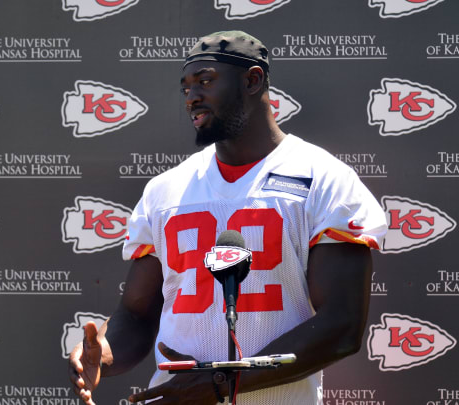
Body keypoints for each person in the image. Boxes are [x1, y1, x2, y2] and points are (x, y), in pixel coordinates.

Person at [69, 30, 387, 404]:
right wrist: (104, 353)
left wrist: (223, 382)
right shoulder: (165, 190)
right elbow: (137, 315)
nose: (192, 97)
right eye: (185, 87)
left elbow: (341, 326)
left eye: (205, 81)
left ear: (252, 80)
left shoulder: (323, 178)